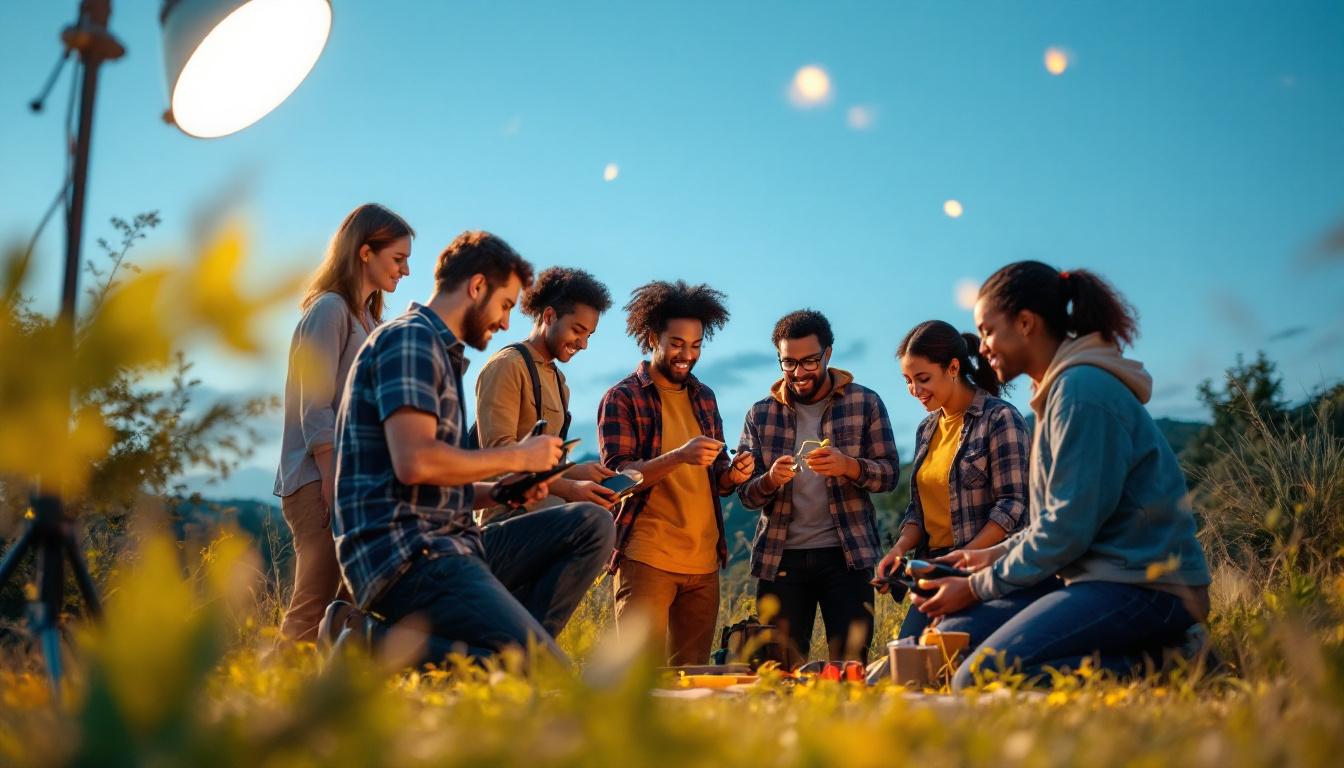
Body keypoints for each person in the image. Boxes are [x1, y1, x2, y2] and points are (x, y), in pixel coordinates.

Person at [911, 262, 1212, 691]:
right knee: (951, 639)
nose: (983, 347)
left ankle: (1168, 661)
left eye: (988, 331)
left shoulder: (1081, 393)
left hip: (1150, 587)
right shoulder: (1058, 394)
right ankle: (1138, 656)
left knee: (977, 679)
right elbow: (1058, 522)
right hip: (1096, 577)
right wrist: (985, 558)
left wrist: (977, 587)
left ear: (1026, 323)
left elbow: (1066, 530)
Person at [332, 231, 614, 666]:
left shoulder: (436, 352)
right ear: (476, 287)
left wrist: (499, 491)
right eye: (505, 305)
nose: (505, 322)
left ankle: (518, 652)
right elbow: (416, 462)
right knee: (548, 672)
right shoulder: (411, 341)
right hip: (411, 556)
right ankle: (369, 645)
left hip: (451, 545)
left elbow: (430, 481)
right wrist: (520, 456)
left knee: (590, 525)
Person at [273, 203, 412, 643]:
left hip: (356, 486)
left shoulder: (371, 321)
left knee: (347, 613)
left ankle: (318, 702)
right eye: (399, 259)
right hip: (320, 481)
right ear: (365, 252)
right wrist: (334, 482)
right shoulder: (330, 311)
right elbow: (314, 407)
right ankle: (265, 701)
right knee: (312, 609)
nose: (406, 271)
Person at [597, 280, 754, 665]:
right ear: (652, 337)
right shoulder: (622, 397)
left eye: (696, 345)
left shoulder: (704, 396)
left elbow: (717, 479)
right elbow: (617, 480)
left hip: (703, 564)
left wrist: (735, 474)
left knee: (693, 683)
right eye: (678, 343)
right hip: (647, 558)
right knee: (638, 682)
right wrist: (679, 456)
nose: (688, 354)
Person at [735, 309, 900, 666]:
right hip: (781, 559)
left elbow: (889, 475)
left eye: (809, 361)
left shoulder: (865, 402)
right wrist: (769, 480)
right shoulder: (760, 414)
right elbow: (745, 493)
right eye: (788, 363)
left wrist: (849, 466)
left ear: (827, 354)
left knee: (851, 664)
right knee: (778, 668)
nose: (798, 372)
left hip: (847, 557)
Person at [874, 319, 1029, 641]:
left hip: (985, 571)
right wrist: (899, 551)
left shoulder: (1000, 419)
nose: (915, 390)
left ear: (954, 367)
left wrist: (963, 559)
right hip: (934, 568)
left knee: (952, 659)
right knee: (908, 655)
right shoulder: (927, 429)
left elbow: (1012, 505)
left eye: (923, 378)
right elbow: (919, 509)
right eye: (907, 381)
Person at [474, 267, 619, 523]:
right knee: (596, 522)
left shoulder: (559, 381)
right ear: (550, 316)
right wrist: (572, 489)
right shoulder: (508, 365)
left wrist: (579, 471)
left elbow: (543, 464)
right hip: (506, 519)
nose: (583, 343)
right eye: (577, 329)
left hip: (548, 513)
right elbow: (499, 455)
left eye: (589, 335)